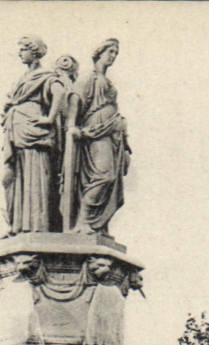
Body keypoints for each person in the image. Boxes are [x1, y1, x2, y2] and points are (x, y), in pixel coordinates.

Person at [0, 35, 66, 236]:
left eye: (23, 49)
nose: (20, 53)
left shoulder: (45, 75)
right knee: (13, 178)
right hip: (17, 130)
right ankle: (18, 225)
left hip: (34, 130)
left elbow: (59, 93)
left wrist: (50, 117)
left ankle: (37, 226)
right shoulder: (22, 78)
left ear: (34, 51)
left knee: (35, 175)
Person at [65, 38, 130, 235]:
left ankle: (97, 224)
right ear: (99, 53)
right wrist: (72, 125)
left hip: (112, 133)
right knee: (103, 175)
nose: (113, 57)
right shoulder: (89, 78)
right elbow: (75, 98)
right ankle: (83, 221)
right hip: (95, 130)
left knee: (110, 178)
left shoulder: (108, 81)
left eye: (115, 54)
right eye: (110, 52)